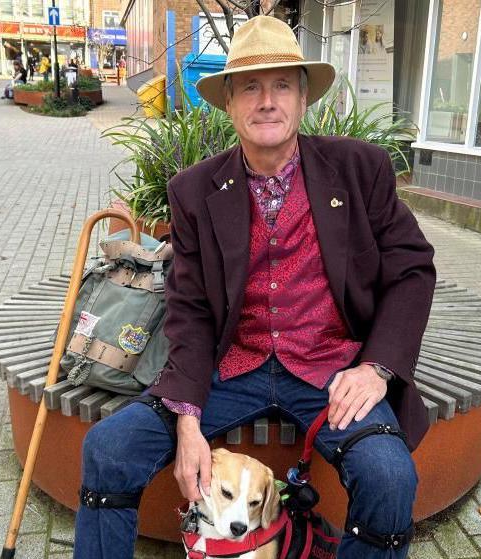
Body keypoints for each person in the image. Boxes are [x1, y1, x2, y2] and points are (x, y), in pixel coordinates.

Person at [74, 15, 435, 559]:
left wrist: (377, 367)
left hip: (330, 371)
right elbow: (191, 308)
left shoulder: (360, 170)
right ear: (228, 103)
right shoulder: (194, 191)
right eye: (250, 86)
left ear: (304, 96)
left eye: (282, 84)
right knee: (108, 448)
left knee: (389, 477)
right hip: (228, 370)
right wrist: (188, 418)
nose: (267, 101)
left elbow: (412, 267)